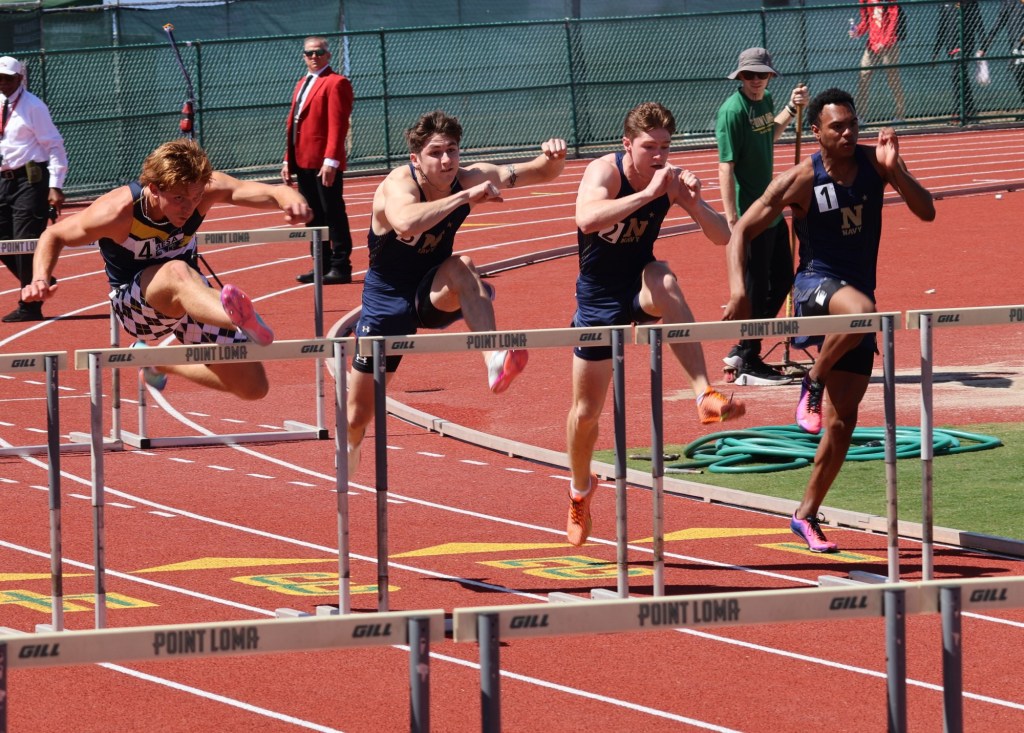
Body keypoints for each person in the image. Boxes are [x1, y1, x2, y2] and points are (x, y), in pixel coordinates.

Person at [723, 88, 934, 552]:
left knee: (842, 424)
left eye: (852, 125)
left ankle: (805, 514)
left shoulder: (875, 163)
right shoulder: (800, 178)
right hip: (814, 290)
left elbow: (927, 211)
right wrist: (740, 290)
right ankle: (812, 379)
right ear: (815, 131)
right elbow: (741, 230)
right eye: (836, 126)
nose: (847, 133)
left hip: (856, 301)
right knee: (866, 314)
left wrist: (896, 169)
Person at [345, 110, 567, 476]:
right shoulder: (398, 185)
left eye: (452, 150)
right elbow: (405, 221)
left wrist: (553, 157)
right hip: (386, 303)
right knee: (359, 414)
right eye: (436, 153)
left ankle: (494, 358)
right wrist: (464, 197)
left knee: (463, 266)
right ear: (415, 159)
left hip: (432, 289)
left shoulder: (470, 176)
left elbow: (537, 172)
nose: (447, 160)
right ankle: (351, 444)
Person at [565, 102, 746, 547]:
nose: (659, 156)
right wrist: (649, 195)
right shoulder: (605, 173)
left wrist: (693, 201)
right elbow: (586, 218)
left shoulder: (671, 177)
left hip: (639, 281)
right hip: (598, 296)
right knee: (587, 413)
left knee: (665, 279)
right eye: (650, 147)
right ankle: (579, 491)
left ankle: (703, 392)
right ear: (627, 145)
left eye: (666, 146)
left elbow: (722, 236)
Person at [22, 138, 312, 399]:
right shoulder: (117, 211)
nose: (188, 208)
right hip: (136, 308)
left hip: (193, 301)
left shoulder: (203, 189)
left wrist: (290, 199)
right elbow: (54, 235)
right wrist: (39, 279)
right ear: (154, 188)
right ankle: (238, 317)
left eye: (195, 197)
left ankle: (161, 361)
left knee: (253, 387)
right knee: (176, 271)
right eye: (178, 199)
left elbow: (262, 191)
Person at [716, 47, 808, 385]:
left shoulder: (766, 101)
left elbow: (769, 135)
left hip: (771, 208)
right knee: (754, 289)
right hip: (749, 213)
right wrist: (731, 218)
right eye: (749, 75)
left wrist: (791, 109)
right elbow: (726, 167)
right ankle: (748, 357)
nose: (756, 81)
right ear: (740, 77)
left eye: (762, 75)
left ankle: (744, 348)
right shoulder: (732, 112)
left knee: (784, 280)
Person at [281, 36, 354, 285]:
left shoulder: (337, 83)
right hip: (302, 160)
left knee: (332, 213)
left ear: (328, 55)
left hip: (324, 163)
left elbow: (338, 124)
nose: (314, 57)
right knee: (313, 215)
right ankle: (320, 265)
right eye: (309, 53)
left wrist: (331, 160)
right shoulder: (302, 82)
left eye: (319, 53)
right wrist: (286, 160)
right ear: (303, 56)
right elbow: (293, 125)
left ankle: (341, 266)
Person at [0, 55, 68, 323]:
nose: (3, 83)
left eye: (7, 78)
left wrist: (56, 186)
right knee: (5, 243)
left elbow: (54, 146)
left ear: (20, 79)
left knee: (25, 242)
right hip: (4, 180)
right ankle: (42, 277)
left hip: (30, 181)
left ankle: (30, 305)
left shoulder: (33, 106)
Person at [851, 0, 907, 122]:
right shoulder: (864, 1)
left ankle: (900, 114)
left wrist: (885, 41)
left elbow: (893, 20)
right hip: (872, 43)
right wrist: (857, 31)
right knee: (863, 75)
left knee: (893, 78)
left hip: (889, 44)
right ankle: (860, 116)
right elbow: (866, 22)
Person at [933, 0, 985, 121]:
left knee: (957, 75)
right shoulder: (944, 3)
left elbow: (978, 22)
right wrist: (936, 51)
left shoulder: (970, 2)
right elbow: (942, 26)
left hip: (965, 44)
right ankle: (970, 111)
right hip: (951, 46)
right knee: (962, 77)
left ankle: (959, 111)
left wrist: (983, 46)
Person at [978, 0, 1024, 105]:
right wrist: (984, 48)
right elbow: (998, 25)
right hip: (1015, 47)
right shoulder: (1007, 3)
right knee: (1017, 71)